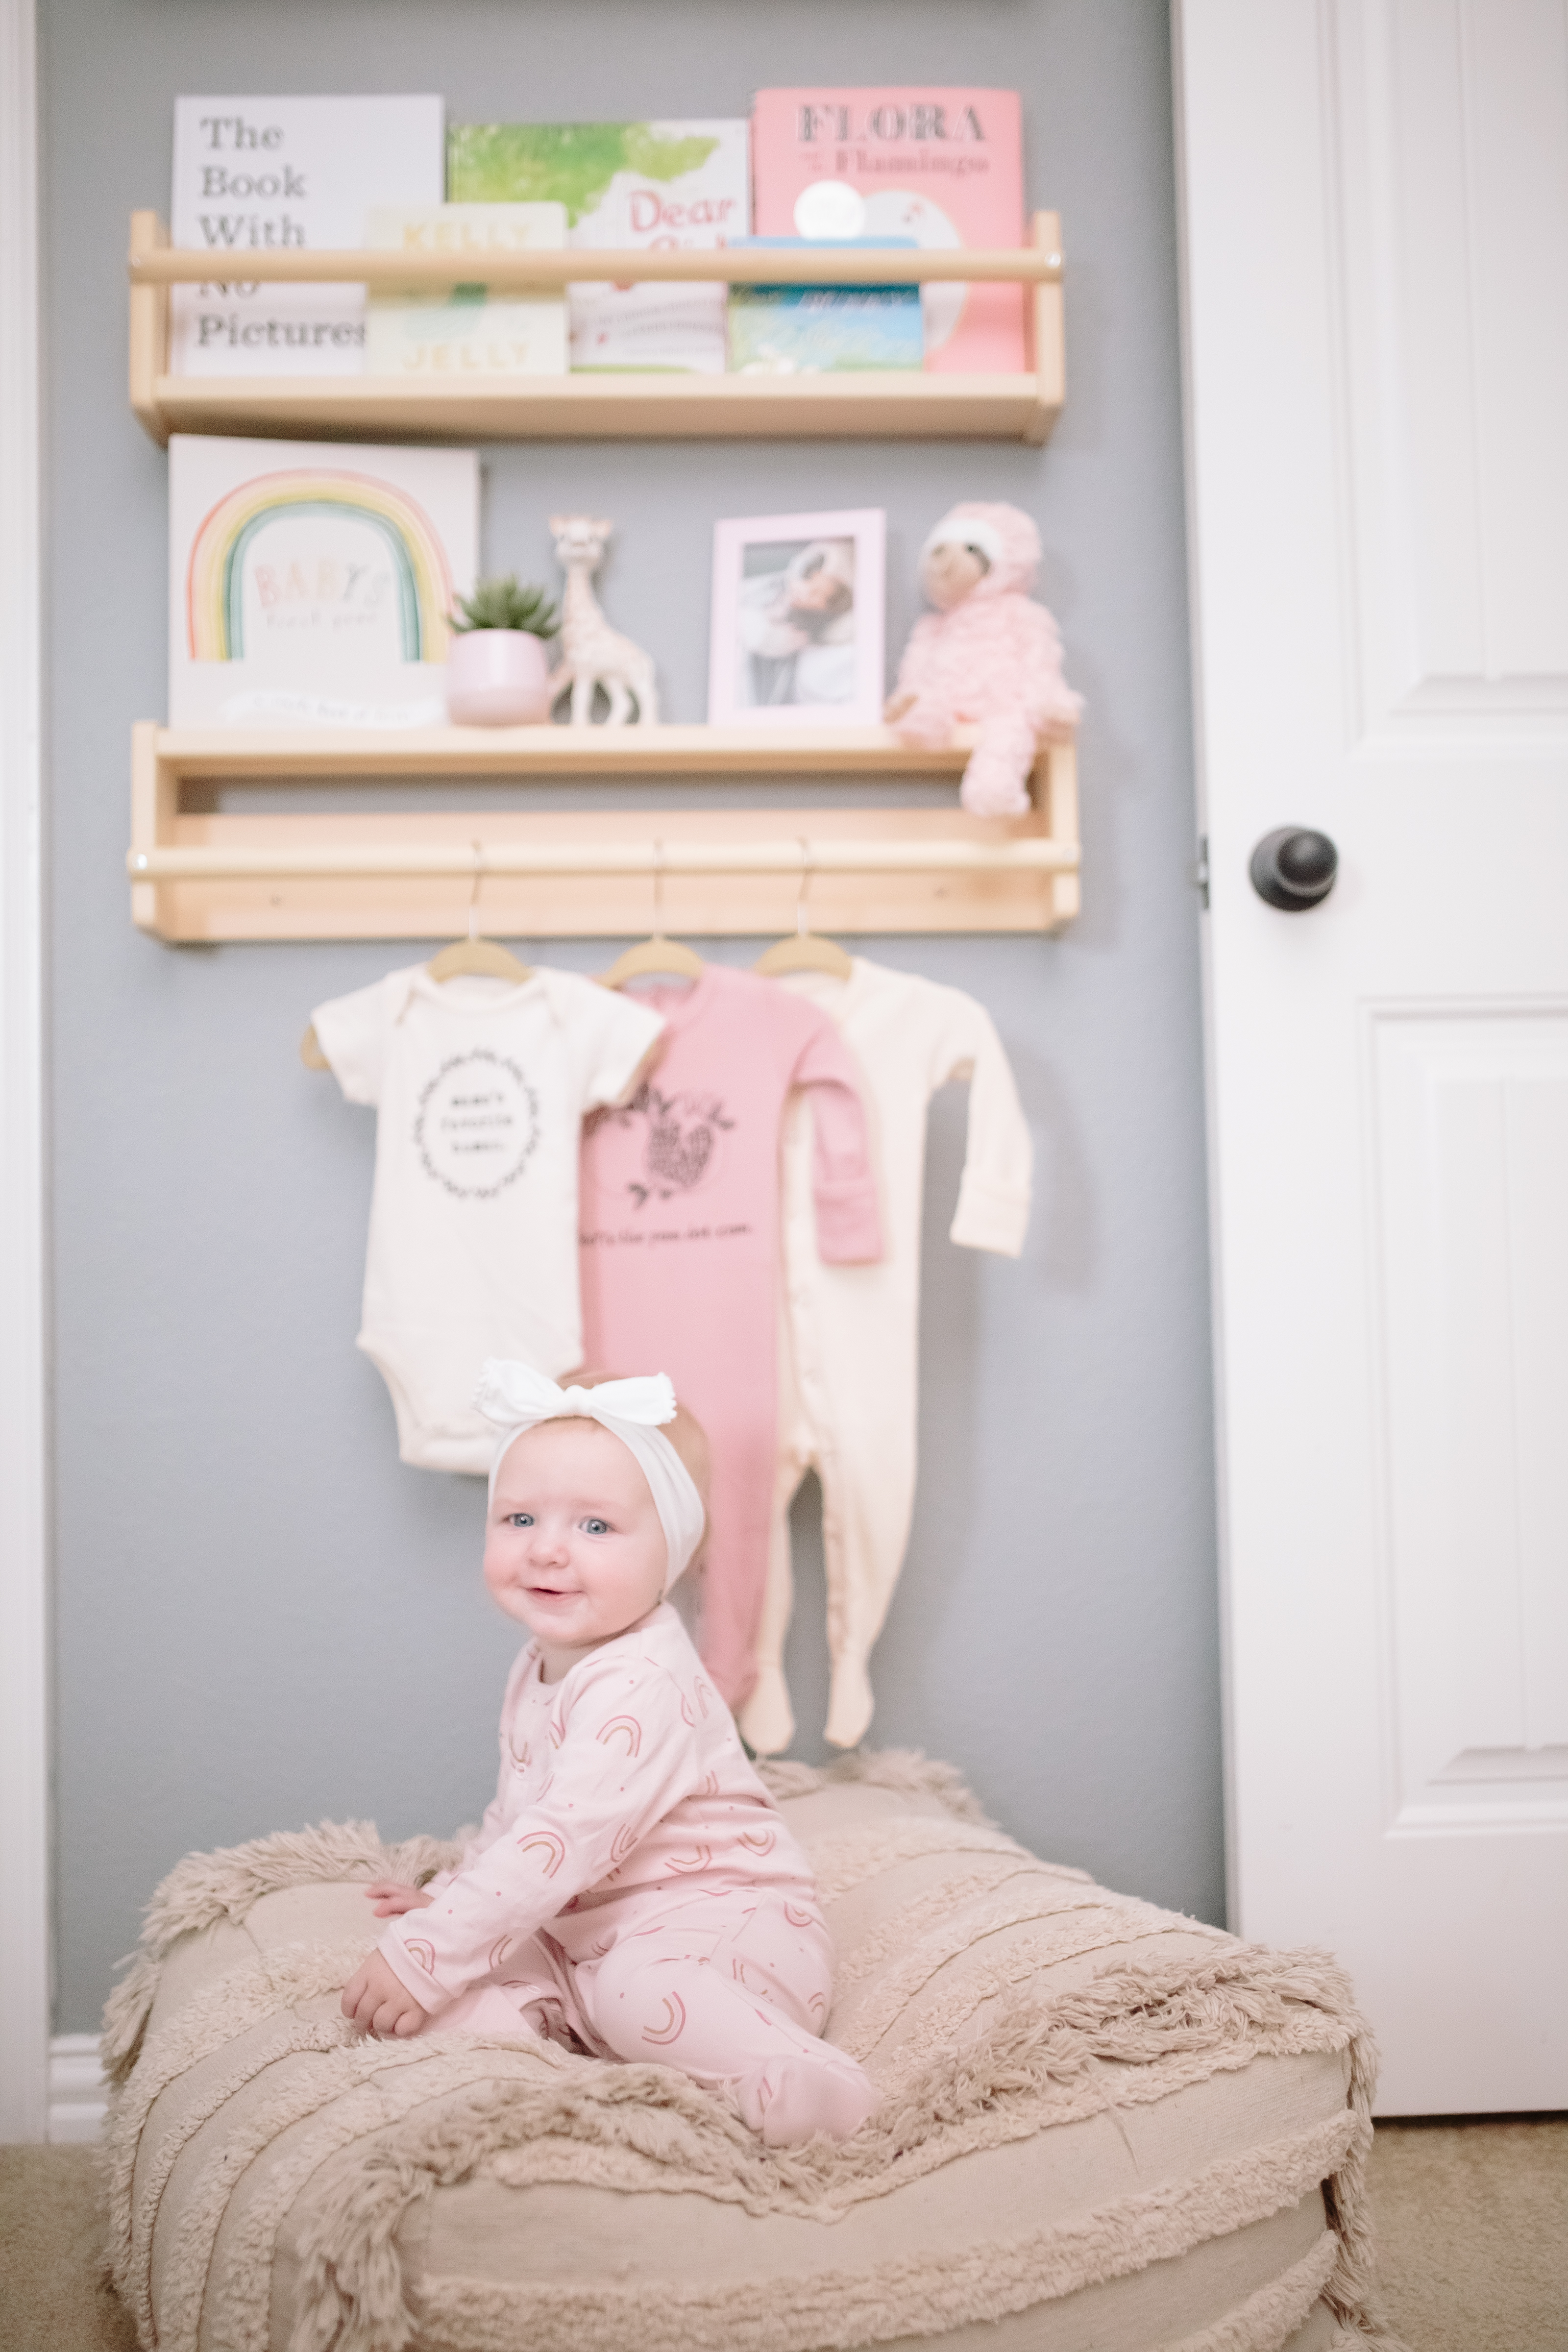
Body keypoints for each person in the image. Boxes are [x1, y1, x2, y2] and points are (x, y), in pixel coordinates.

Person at [340, 1361, 878, 2148]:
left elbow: (560, 1838)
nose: (548, 1551)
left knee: (635, 1990)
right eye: (520, 1520)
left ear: (678, 1554)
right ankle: (563, 2104)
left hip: (720, 1925)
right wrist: (455, 1896)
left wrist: (431, 1950)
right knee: (458, 2005)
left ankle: (804, 2079)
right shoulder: (542, 1661)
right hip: (587, 1929)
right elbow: (519, 1813)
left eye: (595, 1527)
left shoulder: (643, 1681)